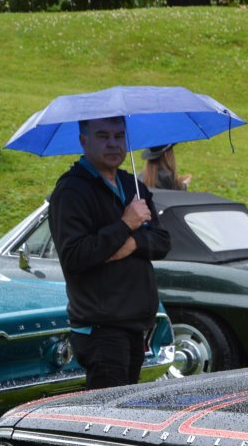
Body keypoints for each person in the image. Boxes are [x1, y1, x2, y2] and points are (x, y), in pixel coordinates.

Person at [48, 116, 172, 390]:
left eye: (118, 136)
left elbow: (162, 241)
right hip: (101, 330)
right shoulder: (71, 191)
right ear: (83, 141)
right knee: (109, 420)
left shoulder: (132, 185)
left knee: (127, 415)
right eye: (103, 136)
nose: (113, 144)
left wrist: (131, 243)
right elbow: (75, 257)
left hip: (135, 324)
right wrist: (126, 224)